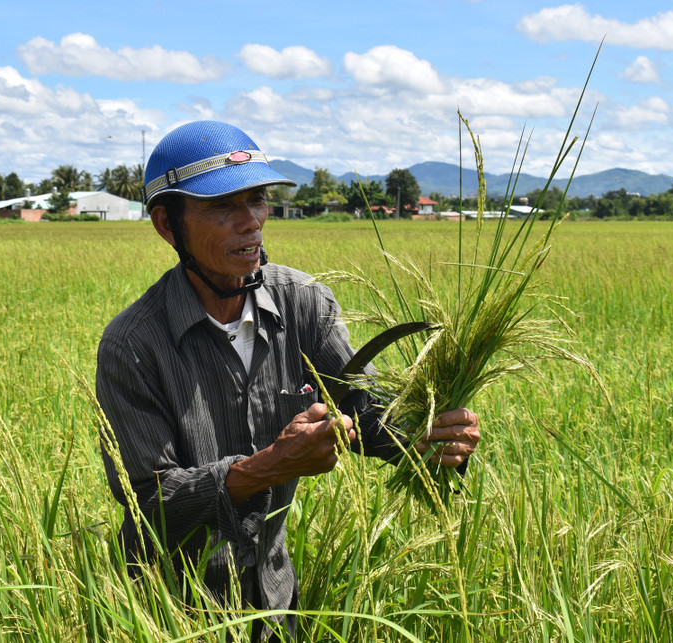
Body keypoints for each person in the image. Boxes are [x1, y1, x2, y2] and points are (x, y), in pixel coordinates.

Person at [96, 120, 480, 641]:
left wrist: (427, 436)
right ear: (168, 225)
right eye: (221, 207)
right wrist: (267, 467)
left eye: (256, 200)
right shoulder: (134, 345)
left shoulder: (304, 304)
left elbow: (363, 413)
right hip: (165, 611)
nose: (250, 222)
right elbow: (149, 503)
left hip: (274, 603)